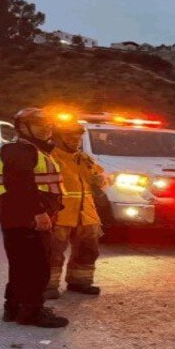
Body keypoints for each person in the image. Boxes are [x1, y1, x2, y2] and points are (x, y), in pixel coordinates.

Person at [0, 108, 69, 328]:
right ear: (22, 128)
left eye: (48, 125)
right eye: (39, 125)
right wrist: (38, 212)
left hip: (19, 217)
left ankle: (15, 308)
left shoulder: (33, 150)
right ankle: (32, 312)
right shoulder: (20, 150)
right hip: (26, 218)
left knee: (22, 264)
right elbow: (19, 185)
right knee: (37, 267)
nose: (46, 129)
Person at [45, 120, 109, 299]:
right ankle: (48, 286)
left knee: (88, 250)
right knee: (53, 253)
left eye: (78, 137)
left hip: (86, 214)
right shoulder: (49, 158)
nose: (75, 140)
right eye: (69, 137)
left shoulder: (83, 158)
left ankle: (80, 282)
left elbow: (103, 177)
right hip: (60, 214)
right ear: (57, 137)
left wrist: (101, 180)